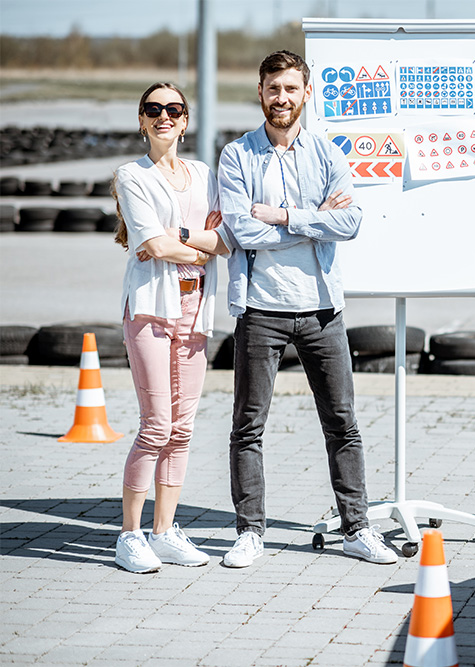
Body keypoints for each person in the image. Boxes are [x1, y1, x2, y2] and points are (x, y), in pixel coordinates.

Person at [217, 50, 397, 567]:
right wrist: (313, 218)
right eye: (273, 89)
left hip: (322, 310)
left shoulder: (326, 153)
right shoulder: (237, 156)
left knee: (342, 422)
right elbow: (241, 229)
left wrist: (283, 215)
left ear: (306, 93)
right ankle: (250, 533)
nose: (282, 98)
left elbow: (352, 222)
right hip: (260, 308)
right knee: (248, 426)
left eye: (291, 89)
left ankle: (357, 528)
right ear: (260, 92)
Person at [111, 82, 232, 573]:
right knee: (156, 424)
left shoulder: (203, 174)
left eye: (174, 109)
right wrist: (199, 245)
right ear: (142, 120)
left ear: (186, 120)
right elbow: (154, 248)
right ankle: (129, 535)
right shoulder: (130, 175)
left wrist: (187, 241)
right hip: (150, 309)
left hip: (196, 308)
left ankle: (164, 531)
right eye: (153, 109)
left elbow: (227, 239)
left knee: (182, 429)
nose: (164, 116)